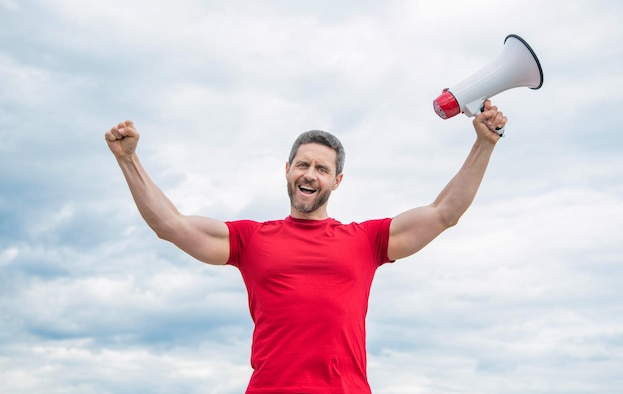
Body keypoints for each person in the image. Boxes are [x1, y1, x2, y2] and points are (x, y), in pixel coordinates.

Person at [104, 100, 507, 393]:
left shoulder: (367, 241)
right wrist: (128, 160)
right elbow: (170, 226)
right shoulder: (250, 239)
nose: (310, 174)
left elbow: (443, 213)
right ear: (287, 170)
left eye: (322, 168)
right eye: (303, 164)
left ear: (337, 181)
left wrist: (484, 144)